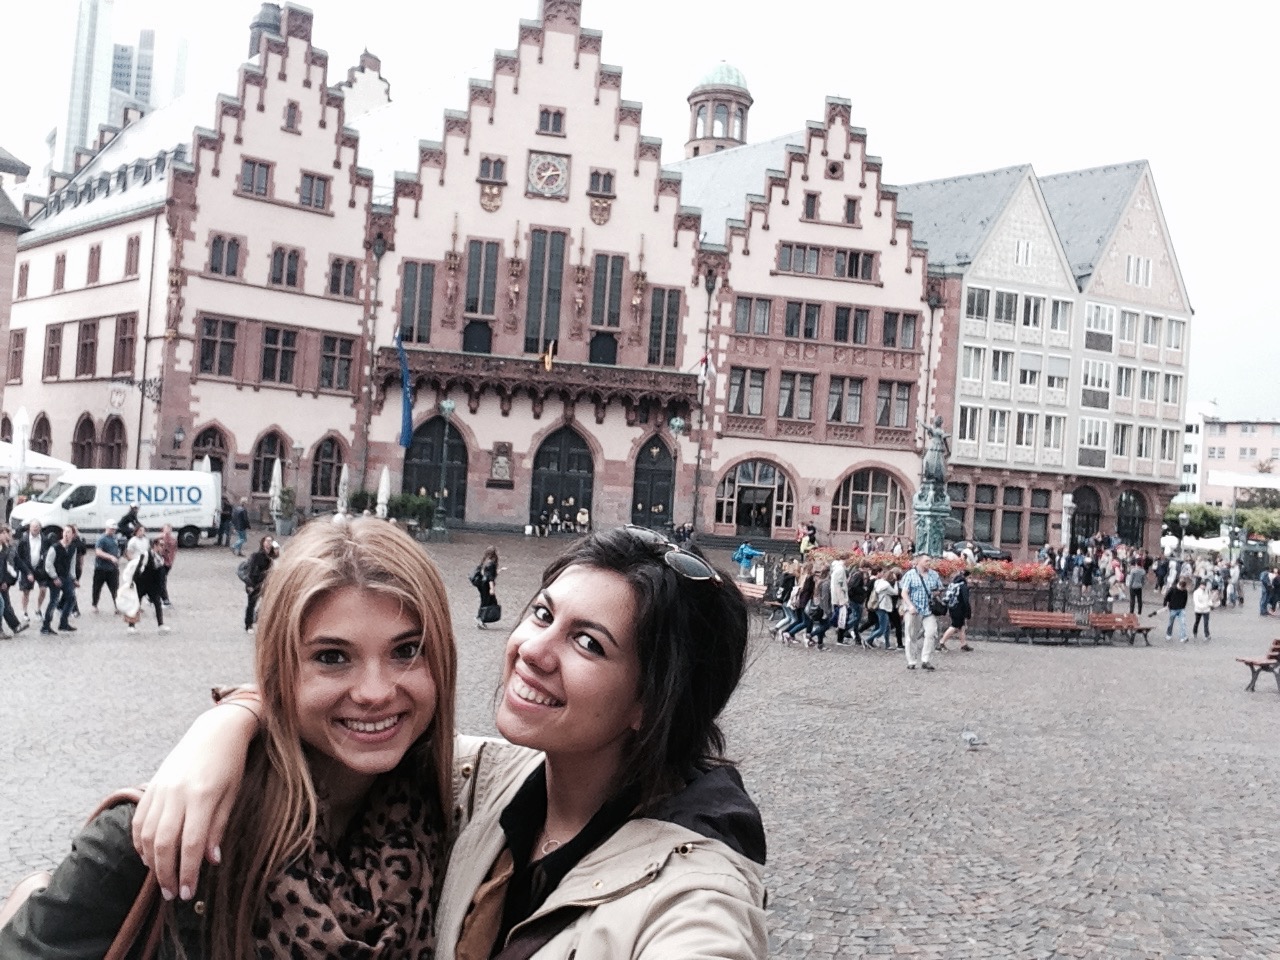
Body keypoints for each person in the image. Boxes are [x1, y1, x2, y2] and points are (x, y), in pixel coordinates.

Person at [129, 526, 768, 959]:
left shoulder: (695, 898)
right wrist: (230, 721)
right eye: (543, 614)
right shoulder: (477, 781)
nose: (533, 650)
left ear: (651, 703)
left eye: (587, 642)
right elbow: (353, 718)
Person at [0, 519, 455, 959]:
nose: (375, 692)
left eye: (406, 651)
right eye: (332, 657)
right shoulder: (160, 837)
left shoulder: (454, 813)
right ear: (279, 668)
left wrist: (239, 712)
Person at [900, 553, 944, 671]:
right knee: (911, 636)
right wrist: (910, 606)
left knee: (931, 633)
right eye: (926, 561)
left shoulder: (934, 574)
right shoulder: (910, 574)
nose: (929, 563)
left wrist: (936, 593)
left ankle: (926, 659)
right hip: (914, 609)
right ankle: (911, 660)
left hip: (928, 609)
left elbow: (940, 588)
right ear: (919, 561)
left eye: (930, 561)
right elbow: (904, 592)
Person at [41, 526, 78, 635]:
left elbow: (72, 564)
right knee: (54, 601)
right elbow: (48, 564)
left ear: (73, 535)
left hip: (66, 577)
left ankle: (63, 622)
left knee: (71, 598)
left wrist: (73, 578)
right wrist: (54, 577)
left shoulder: (73, 548)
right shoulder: (55, 547)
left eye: (69, 532)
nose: (66, 534)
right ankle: (46, 626)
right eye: (65, 532)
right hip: (55, 577)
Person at [14, 520, 47, 622]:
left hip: (40, 569)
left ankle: (38, 609)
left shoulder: (44, 539)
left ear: (40, 528)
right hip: (27, 569)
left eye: (37, 526)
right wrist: (26, 571)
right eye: (33, 527)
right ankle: (25, 611)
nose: (35, 529)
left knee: (43, 589)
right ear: (29, 528)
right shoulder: (23, 540)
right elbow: (19, 557)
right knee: (26, 592)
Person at [243, 536, 277, 632]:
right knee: (251, 604)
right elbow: (250, 570)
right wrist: (249, 584)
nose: (269, 543)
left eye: (271, 541)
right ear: (263, 543)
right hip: (256, 583)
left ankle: (260, 620)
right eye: (267, 541)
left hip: (268, 583)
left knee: (267, 603)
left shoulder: (273, 556)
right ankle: (248, 625)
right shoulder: (257, 555)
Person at [0, 526, 29, 636]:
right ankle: (13, 626)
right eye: (4, 533)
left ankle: (15, 626)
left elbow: (17, 561)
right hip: (3, 581)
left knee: (4, 604)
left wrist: (28, 572)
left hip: (4, 580)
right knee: (3, 604)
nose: (7, 536)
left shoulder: (7, 547)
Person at [937, 570, 973, 652]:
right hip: (959, 608)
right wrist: (968, 611)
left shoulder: (954, 584)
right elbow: (965, 600)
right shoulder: (963, 585)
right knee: (955, 626)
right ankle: (941, 643)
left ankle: (964, 644)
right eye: (970, 577)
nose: (970, 580)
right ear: (966, 577)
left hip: (953, 607)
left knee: (961, 626)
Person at [91, 520, 121, 613]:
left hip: (112, 568)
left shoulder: (115, 538)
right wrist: (110, 557)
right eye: (111, 529)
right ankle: (95, 604)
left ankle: (117, 606)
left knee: (115, 588)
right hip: (101, 568)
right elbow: (98, 552)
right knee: (97, 588)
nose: (113, 531)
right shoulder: (102, 539)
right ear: (107, 528)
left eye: (114, 529)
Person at [473, 545, 500, 629]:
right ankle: (480, 618)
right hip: (486, 586)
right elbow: (490, 577)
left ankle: (481, 618)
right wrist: (492, 588)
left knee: (485, 601)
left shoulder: (485, 562)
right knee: (487, 601)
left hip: (482, 584)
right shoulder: (491, 564)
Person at [1162, 575, 1190, 642]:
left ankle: (1183, 637)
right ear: (1179, 585)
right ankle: (1168, 634)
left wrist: (1183, 607)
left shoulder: (1185, 591)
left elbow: (1185, 599)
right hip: (1173, 609)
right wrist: (1165, 605)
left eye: (1183, 589)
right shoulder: (1172, 589)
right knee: (1171, 623)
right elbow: (1166, 597)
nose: (1182, 590)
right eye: (1181, 588)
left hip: (1181, 609)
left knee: (1183, 623)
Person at [155, 524, 178, 607]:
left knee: (161, 580)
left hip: (167, 563)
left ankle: (159, 598)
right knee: (160, 580)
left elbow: (173, 551)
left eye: (169, 529)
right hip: (159, 562)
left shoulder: (173, 540)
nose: (167, 531)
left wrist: (171, 560)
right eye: (166, 529)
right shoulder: (159, 538)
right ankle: (164, 599)